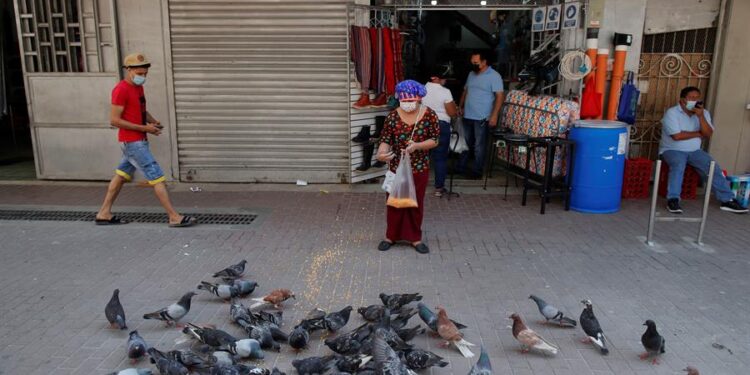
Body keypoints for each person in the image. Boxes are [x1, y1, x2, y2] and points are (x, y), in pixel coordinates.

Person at [95, 52, 197, 227]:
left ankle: (103, 213)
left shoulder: (137, 87)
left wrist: (152, 121)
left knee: (120, 176)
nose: (143, 77)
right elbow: (115, 120)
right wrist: (146, 129)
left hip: (136, 141)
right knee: (157, 177)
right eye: (140, 74)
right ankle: (174, 216)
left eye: (145, 74)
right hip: (133, 142)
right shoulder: (120, 90)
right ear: (128, 70)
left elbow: (140, 110)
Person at [659, 86, 747, 214]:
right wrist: (698, 133)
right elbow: (677, 136)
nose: (694, 100)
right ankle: (673, 200)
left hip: (695, 151)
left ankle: (727, 200)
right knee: (678, 165)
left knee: (712, 167)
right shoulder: (672, 113)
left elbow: (708, 133)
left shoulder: (703, 113)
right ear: (683, 100)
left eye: (697, 98)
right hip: (672, 149)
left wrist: (700, 117)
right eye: (691, 98)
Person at [375, 80, 440, 254]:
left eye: (411, 101)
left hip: (418, 167)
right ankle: (391, 236)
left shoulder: (429, 115)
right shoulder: (392, 116)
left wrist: (417, 146)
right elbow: (385, 140)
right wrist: (381, 153)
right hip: (396, 167)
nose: (407, 104)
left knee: (415, 202)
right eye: (404, 101)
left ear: (419, 99)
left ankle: (415, 238)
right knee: (394, 202)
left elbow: (435, 140)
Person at [458, 51, 505, 179]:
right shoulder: (471, 74)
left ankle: (477, 171)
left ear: (484, 62)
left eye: (476, 63)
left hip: (482, 117)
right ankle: (461, 167)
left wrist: (494, 115)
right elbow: (466, 91)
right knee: (465, 143)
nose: (473, 65)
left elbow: (500, 96)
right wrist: (460, 106)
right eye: (472, 62)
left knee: (479, 146)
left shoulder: (494, 76)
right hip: (468, 115)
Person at [422, 67, 458, 197]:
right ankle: (439, 188)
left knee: (422, 156)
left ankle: (418, 185)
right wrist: (455, 108)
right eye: (443, 77)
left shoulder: (421, 89)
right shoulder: (445, 92)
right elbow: (452, 112)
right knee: (440, 158)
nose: (445, 80)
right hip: (441, 125)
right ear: (434, 78)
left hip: (423, 124)